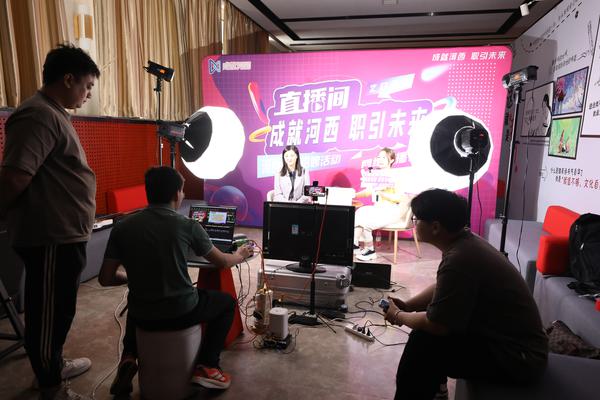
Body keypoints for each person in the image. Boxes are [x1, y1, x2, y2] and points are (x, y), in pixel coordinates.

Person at [0, 44, 99, 400]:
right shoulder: (38, 115)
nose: (88, 94)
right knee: (48, 314)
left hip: (63, 234)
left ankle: (52, 365)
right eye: (87, 85)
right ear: (68, 79)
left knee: (60, 309)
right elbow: (15, 176)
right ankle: (50, 385)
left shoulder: (53, 113)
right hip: (50, 235)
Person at [98, 166, 253, 395]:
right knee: (227, 303)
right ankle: (208, 366)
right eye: (182, 191)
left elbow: (105, 278)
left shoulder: (122, 227)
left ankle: (129, 355)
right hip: (181, 311)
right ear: (176, 194)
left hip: (142, 315)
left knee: (136, 297)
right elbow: (222, 262)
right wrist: (240, 255)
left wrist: (133, 278)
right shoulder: (188, 225)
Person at [384, 189, 548, 400]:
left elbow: (437, 325)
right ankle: (437, 390)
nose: (413, 224)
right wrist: (408, 305)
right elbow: (444, 288)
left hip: (519, 358)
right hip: (511, 344)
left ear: (435, 227)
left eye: (416, 219)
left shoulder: (460, 258)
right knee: (426, 338)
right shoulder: (464, 242)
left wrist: (398, 316)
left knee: (423, 345)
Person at [353, 147, 412, 261]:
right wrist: (354, 195)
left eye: (383, 157)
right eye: (378, 157)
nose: (380, 159)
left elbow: (399, 198)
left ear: (391, 160)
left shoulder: (396, 176)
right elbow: (369, 191)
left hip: (392, 211)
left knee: (365, 222)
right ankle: (355, 245)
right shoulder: (377, 175)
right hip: (379, 208)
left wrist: (381, 192)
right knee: (360, 212)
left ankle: (369, 250)